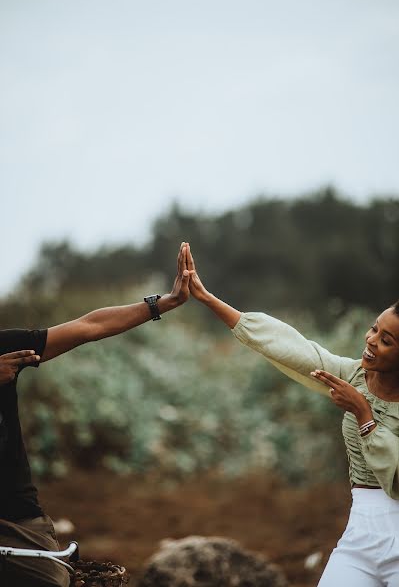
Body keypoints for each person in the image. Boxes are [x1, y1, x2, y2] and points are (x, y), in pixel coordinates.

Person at [185, 242, 399, 587]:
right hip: (361, 530)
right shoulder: (354, 375)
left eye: (387, 340)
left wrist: (363, 413)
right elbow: (293, 348)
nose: (371, 340)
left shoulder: (361, 395)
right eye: (374, 328)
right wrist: (209, 299)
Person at [0, 243, 190, 587]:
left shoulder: (5, 349)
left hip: (15, 519)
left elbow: (90, 326)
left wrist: (164, 302)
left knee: (52, 580)